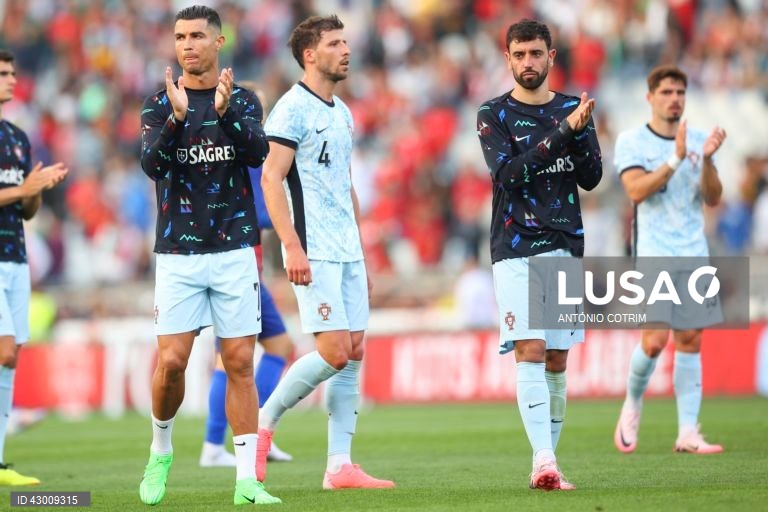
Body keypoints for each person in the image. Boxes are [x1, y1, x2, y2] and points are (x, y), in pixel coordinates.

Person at [138, 5, 280, 506]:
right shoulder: (159, 104)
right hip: (178, 252)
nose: (187, 44)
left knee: (240, 361)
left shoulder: (240, 100)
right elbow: (151, 164)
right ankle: (161, 449)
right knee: (173, 361)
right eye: (180, 37)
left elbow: (258, 153)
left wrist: (223, 116)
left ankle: (246, 481)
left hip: (234, 247)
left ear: (219, 43)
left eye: (197, 36)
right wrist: (177, 120)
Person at [257, 15, 394, 490]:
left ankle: (339, 465)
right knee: (333, 352)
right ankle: (264, 421)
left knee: (354, 352)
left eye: (346, 42)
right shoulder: (291, 108)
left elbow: (345, 184)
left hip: (347, 250)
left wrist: (362, 251)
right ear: (310, 55)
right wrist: (291, 245)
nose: (346, 50)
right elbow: (271, 178)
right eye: (335, 43)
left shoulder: (342, 111)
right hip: (312, 250)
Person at [476, 19, 602, 491]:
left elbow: (591, 178)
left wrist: (583, 132)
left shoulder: (574, 108)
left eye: (535, 53)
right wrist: (564, 132)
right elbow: (508, 176)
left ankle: (549, 459)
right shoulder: (493, 114)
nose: (527, 62)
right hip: (515, 247)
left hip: (566, 245)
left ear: (552, 56)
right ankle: (544, 462)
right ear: (507, 59)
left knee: (556, 358)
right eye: (519, 54)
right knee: (528, 349)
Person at [613, 65, 726, 455]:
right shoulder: (632, 141)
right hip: (654, 253)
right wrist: (676, 160)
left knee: (691, 339)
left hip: (693, 252)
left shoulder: (698, 140)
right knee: (655, 339)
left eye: (680, 92)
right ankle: (632, 402)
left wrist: (707, 160)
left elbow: (712, 198)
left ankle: (688, 432)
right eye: (666, 92)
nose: (674, 98)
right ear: (650, 98)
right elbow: (637, 190)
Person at [200, 85, 294, 468]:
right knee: (233, 357)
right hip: (242, 261)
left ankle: (245, 437)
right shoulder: (250, 153)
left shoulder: (227, 146)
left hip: (239, 259)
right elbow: (260, 212)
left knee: (277, 347)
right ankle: (220, 444)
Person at [0, 49, 68, 487]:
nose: (11, 79)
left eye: (11, 72)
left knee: (11, 359)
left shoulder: (18, 138)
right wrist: (24, 186)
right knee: (4, 350)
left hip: (16, 255)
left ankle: (1, 463)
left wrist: (37, 189)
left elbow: (27, 210)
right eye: (3, 73)